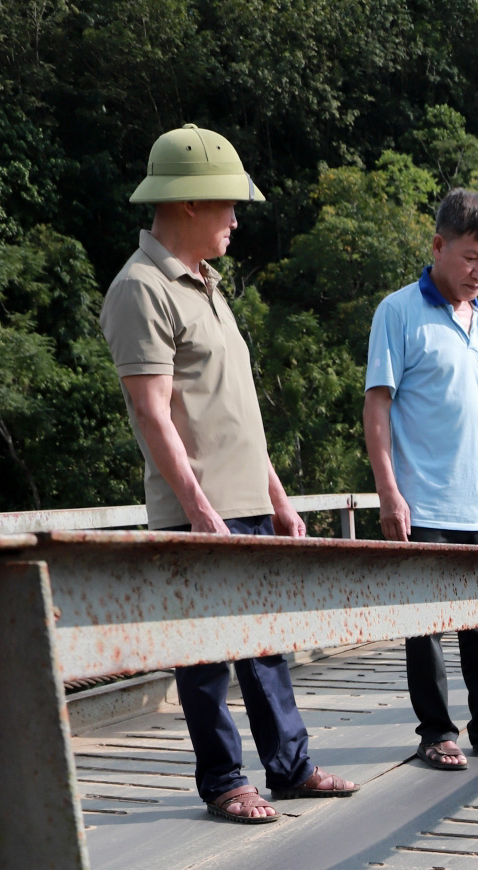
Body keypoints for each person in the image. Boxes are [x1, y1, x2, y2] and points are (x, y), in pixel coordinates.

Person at [99, 124, 358, 824]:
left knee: (266, 644)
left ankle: (292, 768)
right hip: (197, 508)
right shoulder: (141, 288)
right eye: (227, 205)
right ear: (186, 203)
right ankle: (224, 781)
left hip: (246, 499)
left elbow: (234, 411)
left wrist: (277, 497)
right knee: (205, 656)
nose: (236, 220)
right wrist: (200, 508)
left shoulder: (208, 286)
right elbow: (154, 415)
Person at [363, 189, 478, 770]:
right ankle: (436, 732)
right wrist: (389, 491)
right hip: (426, 504)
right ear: (438, 246)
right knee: (427, 630)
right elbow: (378, 408)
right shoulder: (398, 311)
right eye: (469, 259)